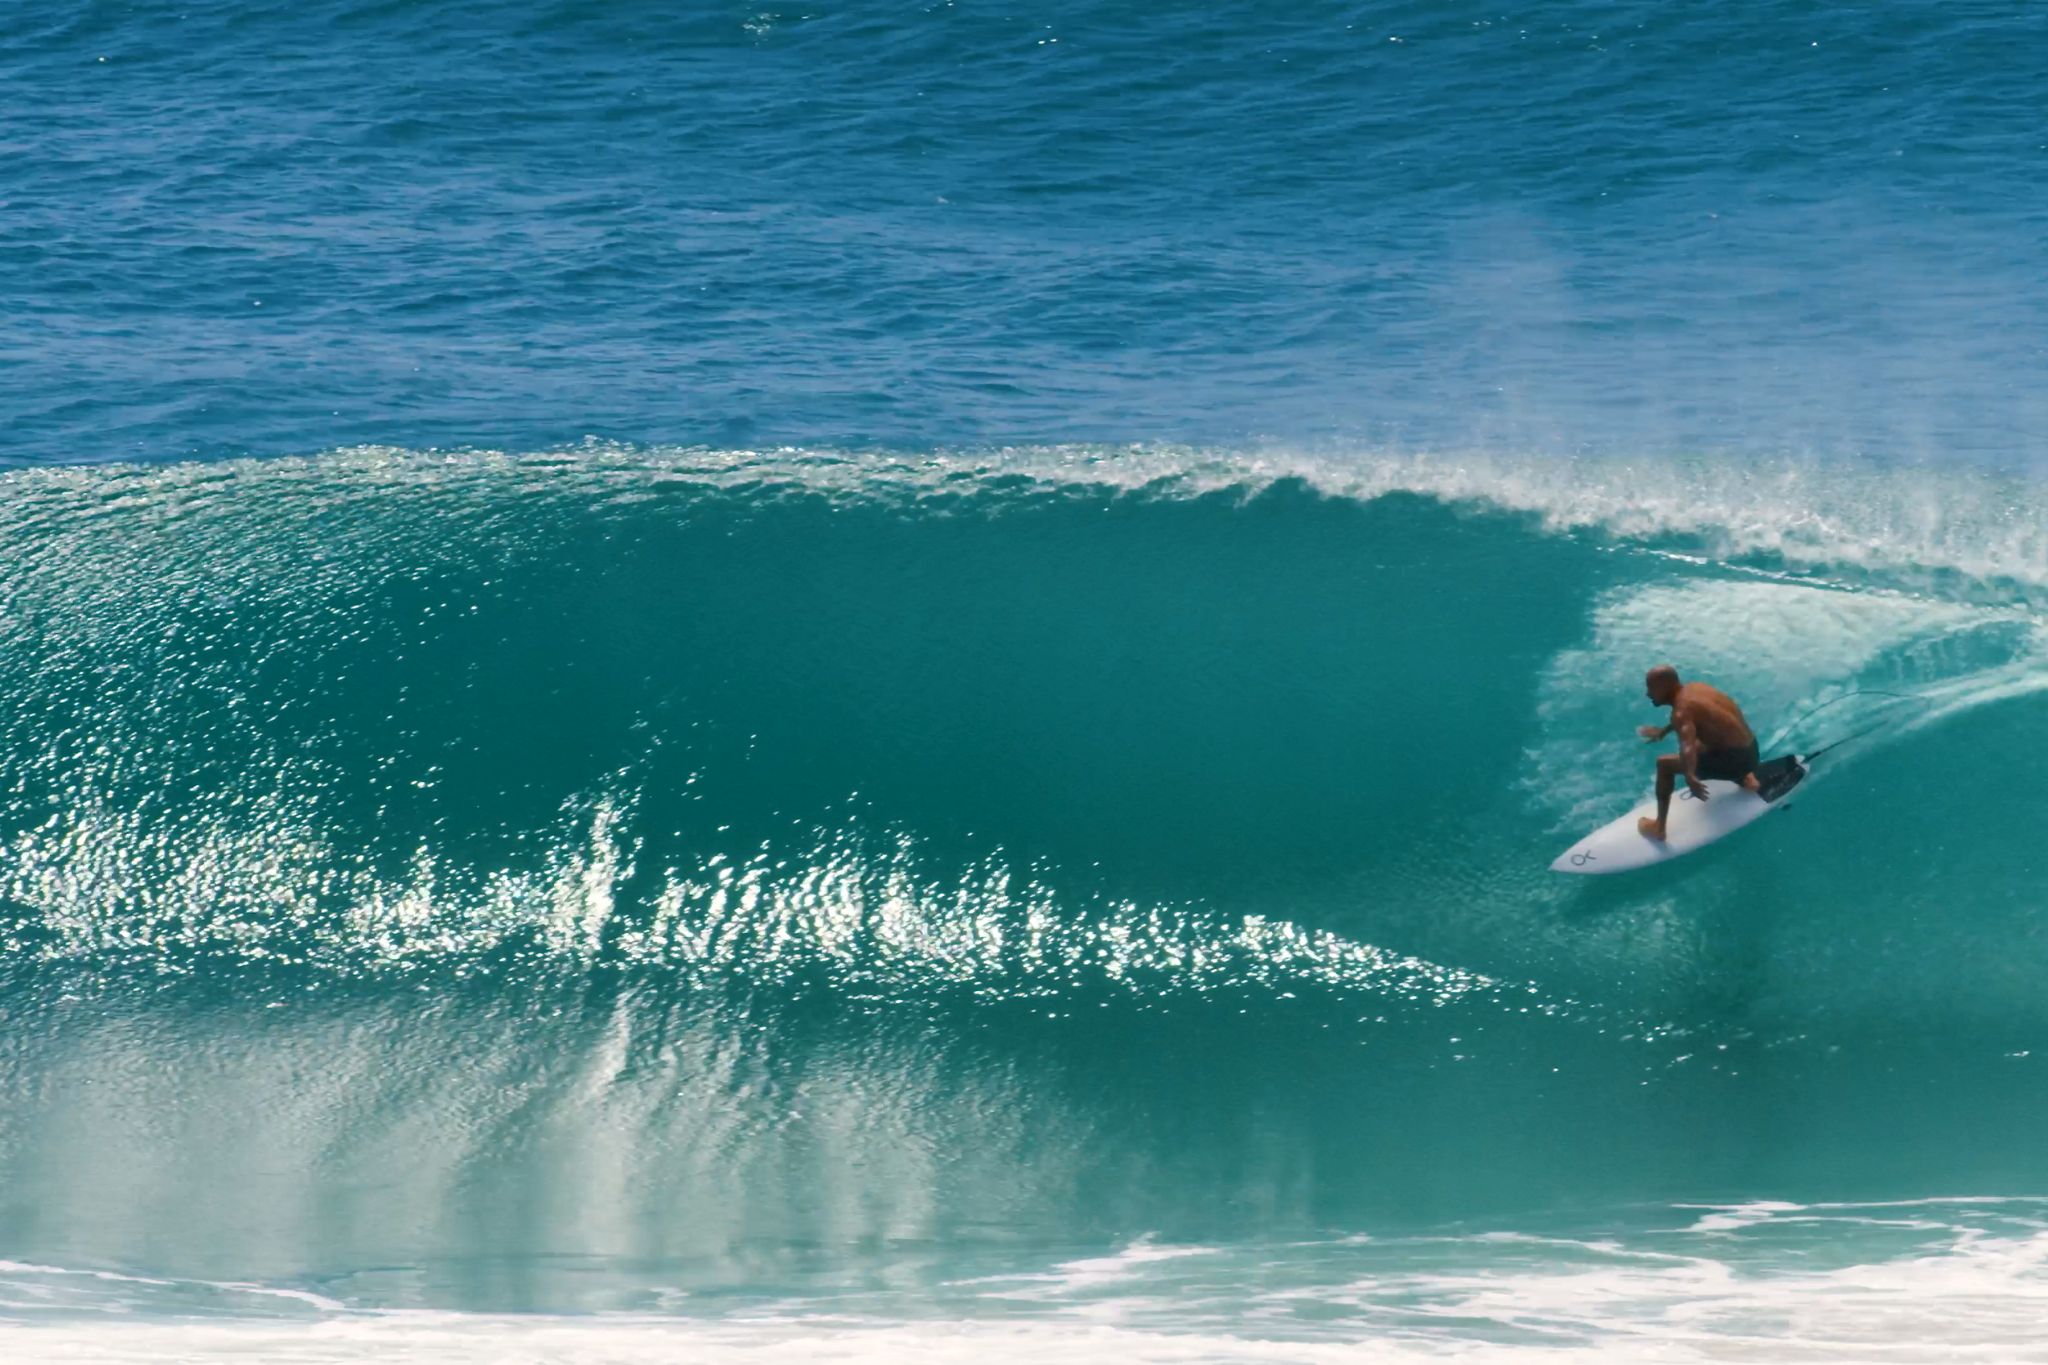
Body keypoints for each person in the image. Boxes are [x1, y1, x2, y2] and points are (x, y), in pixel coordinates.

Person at [1635, 664, 1760, 840]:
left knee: (1664, 764)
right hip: (1752, 750)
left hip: (1735, 761)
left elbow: (1688, 746)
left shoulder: (1681, 711)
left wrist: (1690, 775)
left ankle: (1659, 828)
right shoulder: (1696, 689)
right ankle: (1747, 777)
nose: (1648, 694)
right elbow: (1698, 718)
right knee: (1710, 739)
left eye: (1651, 688)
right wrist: (1662, 732)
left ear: (1664, 687)